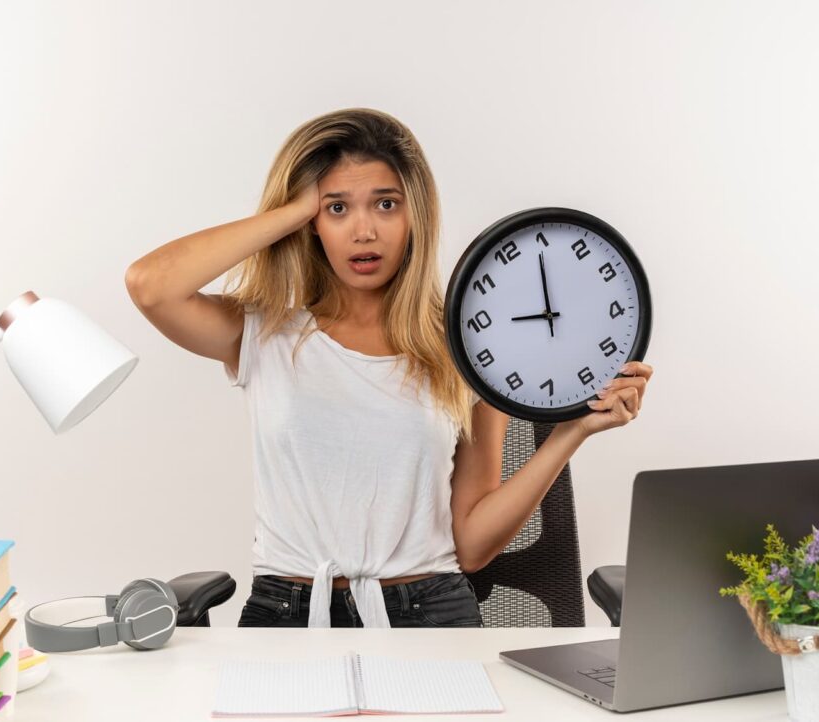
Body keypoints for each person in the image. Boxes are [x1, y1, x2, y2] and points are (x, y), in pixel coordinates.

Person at [124, 107, 653, 628]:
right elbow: (151, 285)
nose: (364, 231)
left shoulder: (467, 348)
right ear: (311, 223)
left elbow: (471, 546)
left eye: (385, 204)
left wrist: (571, 432)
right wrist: (295, 209)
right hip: (285, 610)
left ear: (413, 215)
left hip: (431, 610)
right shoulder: (262, 332)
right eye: (337, 209)